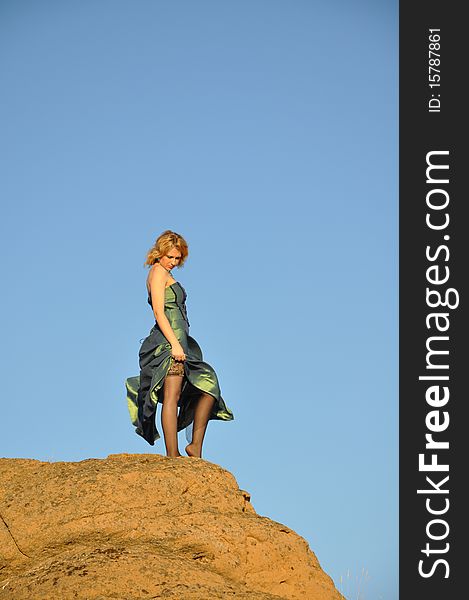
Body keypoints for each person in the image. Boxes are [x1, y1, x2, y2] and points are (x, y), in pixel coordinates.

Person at [125, 230, 234, 458]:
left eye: (177, 258)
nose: (174, 262)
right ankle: (172, 454)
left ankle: (195, 447)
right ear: (160, 253)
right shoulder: (157, 272)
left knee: (208, 387)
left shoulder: (165, 272)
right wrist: (174, 345)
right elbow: (158, 311)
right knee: (172, 396)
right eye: (170, 257)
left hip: (181, 342)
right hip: (168, 343)